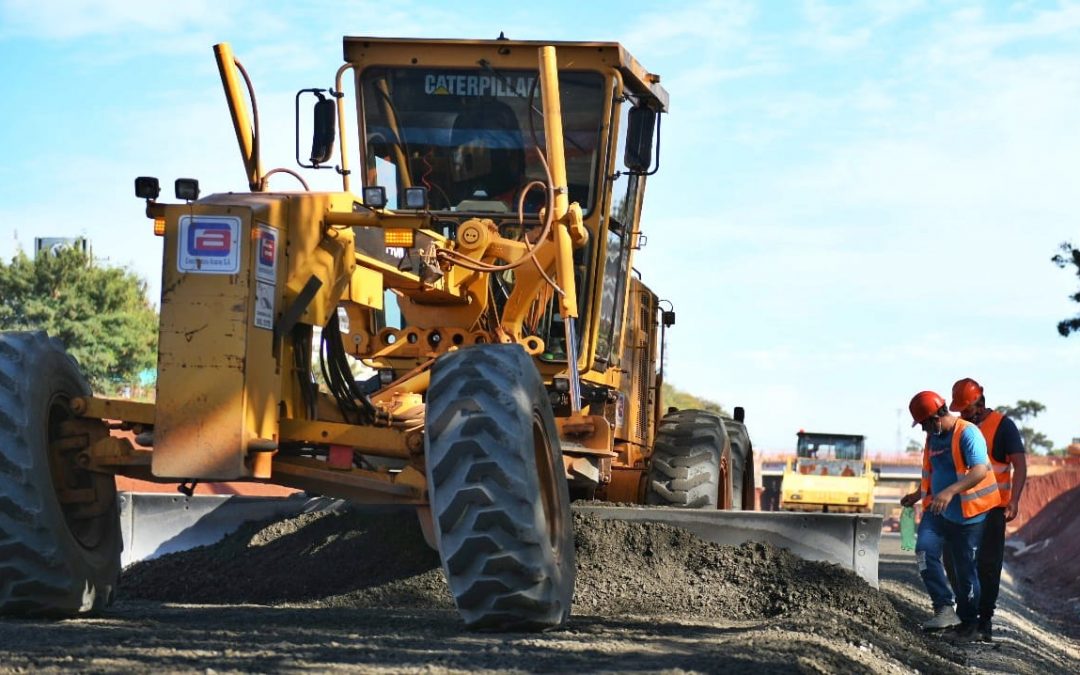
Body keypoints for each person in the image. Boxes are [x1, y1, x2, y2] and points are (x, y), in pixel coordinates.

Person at [900, 391, 999, 641]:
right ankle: (943, 608)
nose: (923, 430)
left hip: (968, 515)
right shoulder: (933, 439)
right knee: (924, 551)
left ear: (935, 417)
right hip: (938, 511)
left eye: (924, 424)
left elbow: (979, 471)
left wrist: (950, 492)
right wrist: (918, 494)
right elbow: (936, 473)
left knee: (965, 571)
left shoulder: (968, 433)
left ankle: (969, 624)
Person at [944, 378, 1027, 642]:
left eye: (966, 409)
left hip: (993, 509)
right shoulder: (958, 429)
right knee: (954, 561)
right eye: (960, 410)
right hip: (961, 509)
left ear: (979, 403)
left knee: (988, 565)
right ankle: (966, 616)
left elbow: (1020, 465)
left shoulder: (1003, 426)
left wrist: (1014, 500)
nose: (962, 414)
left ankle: (984, 622)